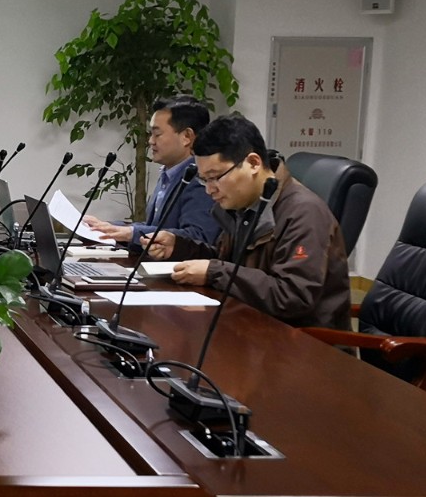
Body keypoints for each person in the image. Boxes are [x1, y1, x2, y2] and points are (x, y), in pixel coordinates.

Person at [143, 115, 350, 329]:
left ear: (253, 163)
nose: (209, 189)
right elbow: (227, 261)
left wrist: (214, 271)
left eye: (215, 177)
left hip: (304, 346)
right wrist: (178, 247)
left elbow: (292, 297)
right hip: (251, 326)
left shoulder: (304, 213)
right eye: (204, 179)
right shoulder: (244, 203)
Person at [83, 96, 220, 252]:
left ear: (186, 137)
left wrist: (131, 233)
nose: (150, 141)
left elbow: (198, 237)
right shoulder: (171, 173)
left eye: (157, 134)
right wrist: (109, 227)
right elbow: (156, 227)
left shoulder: (200, 179)